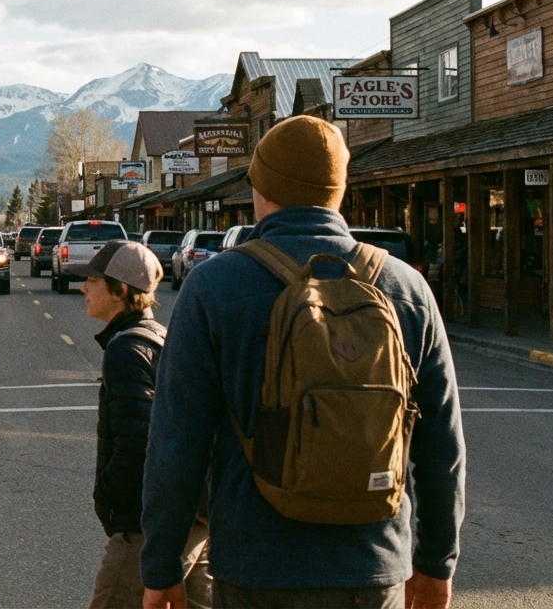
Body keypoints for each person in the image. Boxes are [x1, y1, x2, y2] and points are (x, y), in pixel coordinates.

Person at [140, 116, 465, 609]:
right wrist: (437, 562)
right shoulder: (406, 288)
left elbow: (176, 443)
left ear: (262, 189)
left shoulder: (213, 286)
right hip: (372, 569)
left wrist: (161, 566)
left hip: (255, 566)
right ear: (339, 191)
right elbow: (442, 446)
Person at [78, 240, 209, 609]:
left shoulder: (127, 350)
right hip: (195, 516)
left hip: (145, 526)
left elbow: (138, 445)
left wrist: (108, 495)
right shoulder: (159, 337)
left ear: (121, 290)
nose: (83, 288)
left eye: (93, 281)